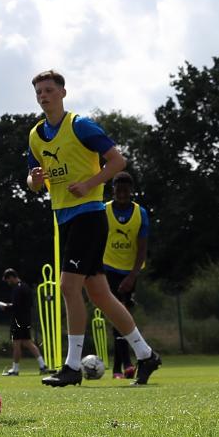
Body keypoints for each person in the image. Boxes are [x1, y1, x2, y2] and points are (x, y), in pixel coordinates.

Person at [25, 70, 161, 386]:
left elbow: (117, 161)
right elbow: (33, 182)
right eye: (39, 92)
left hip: (89, 216)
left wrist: (89, 184)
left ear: (63, 92)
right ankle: (146, 355)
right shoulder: (35, 135)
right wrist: (35, 180)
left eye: (49, 90)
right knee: (100, 295)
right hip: (64, 219)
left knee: (67, 286)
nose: (43, 96)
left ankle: (72, 366)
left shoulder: (80, 126)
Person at [104, 171, 149, 379]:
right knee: (116, 316)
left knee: (126, 317)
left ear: (131, 191)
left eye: (125, 190)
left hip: (130, 271)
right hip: (108, 268)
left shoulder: (141, 213)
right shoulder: (104, 210)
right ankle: (126, 365)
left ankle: (118, 368)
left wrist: (132, 276)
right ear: (113, 190)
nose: (122, 194)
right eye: (118, 190)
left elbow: (142, 249)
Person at [0, 268, 47, 376]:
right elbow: (28, 304)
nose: (8, 282)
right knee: (28, 342)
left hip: (18, 320)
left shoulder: (18, 289)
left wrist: (5, 307)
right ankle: (43, 365)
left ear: (11, 277)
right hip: (26, 319)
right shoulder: (25, 287)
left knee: (16, 344)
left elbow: (16, 306)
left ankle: (15, 369)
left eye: (8, 280)